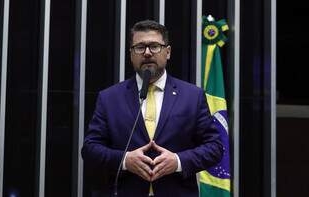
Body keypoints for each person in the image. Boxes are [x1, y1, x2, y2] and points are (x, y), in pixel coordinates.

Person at [81, 20, 223, 197]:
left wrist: (178, 161)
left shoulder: (192, 97)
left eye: (154, 46)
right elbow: (90, 149)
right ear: (131, 54)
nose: (147, 52)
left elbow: (215, 147)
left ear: (168, 52)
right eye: (140, 47)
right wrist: (125, 160)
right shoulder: (109, 98)